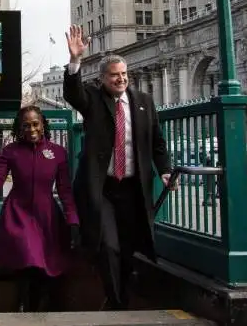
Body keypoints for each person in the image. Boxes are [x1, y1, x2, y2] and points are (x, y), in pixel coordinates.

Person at [63, 24, 174, 310]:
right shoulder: (92, 99)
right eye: (114, 75)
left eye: (124, 74)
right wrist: (75, 61)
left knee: (128, 248)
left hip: (133, 188)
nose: (121, 79)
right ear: (102, 79)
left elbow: (157, 143)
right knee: (108, 245)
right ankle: (116, 302)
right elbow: (73, 93)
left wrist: (164, 169)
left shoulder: (144, 103)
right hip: (103, 188)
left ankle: (120, 292)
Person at [0, 106, 80, 312]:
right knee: (28, 256)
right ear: (19, 128)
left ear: (43, 124)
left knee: (42, 264)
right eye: (26, 125)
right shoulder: (10, 151)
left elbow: (65, 190)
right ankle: (24, 304)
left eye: (35, 124)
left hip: (46, 216)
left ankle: (32, 306)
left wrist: (72, 219)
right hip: (17, 214)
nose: (31, 129)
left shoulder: (58, 153)